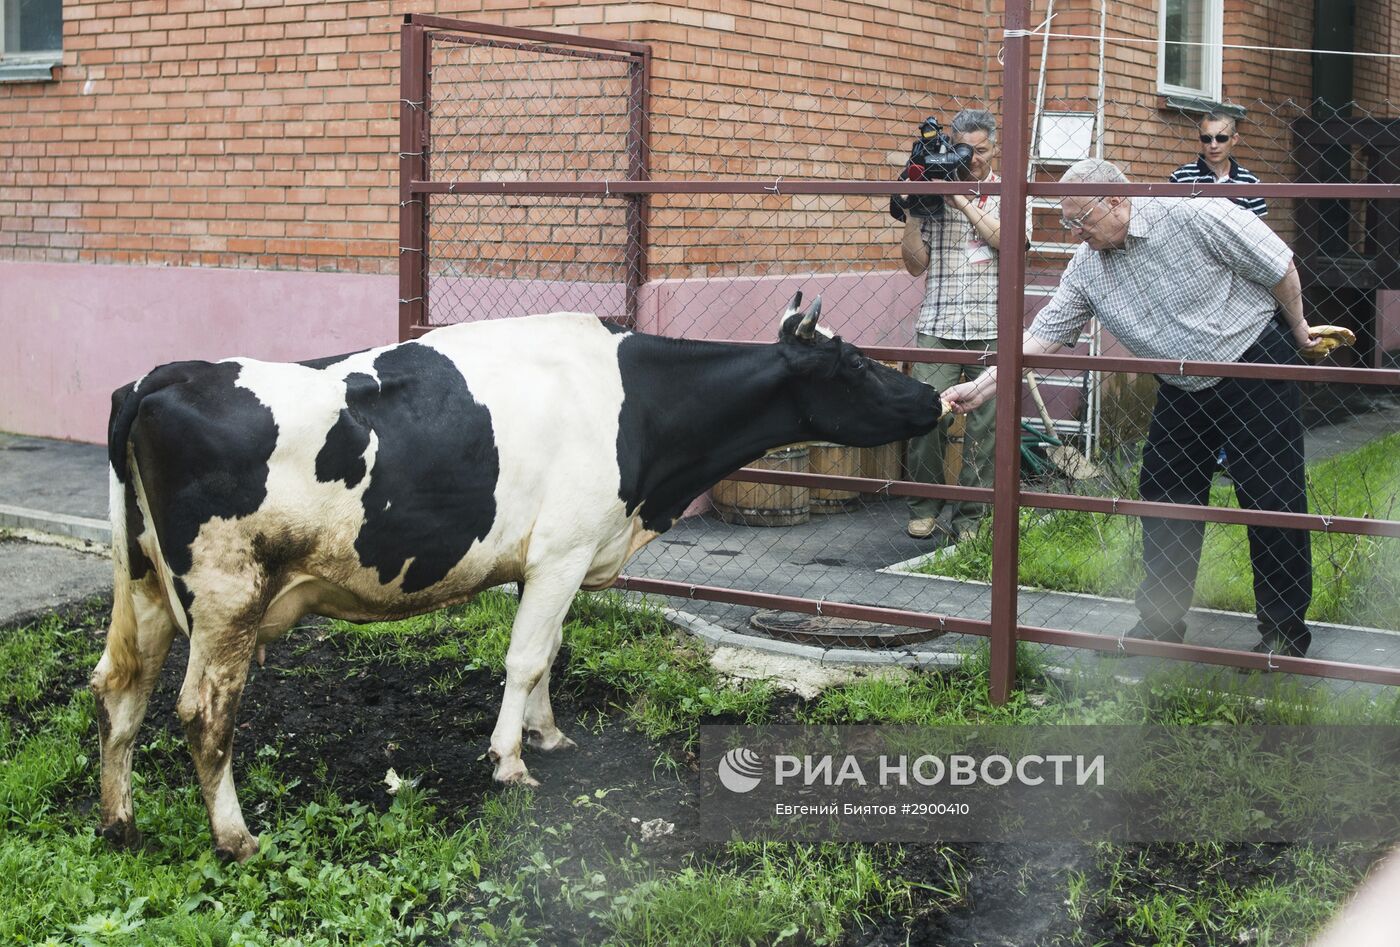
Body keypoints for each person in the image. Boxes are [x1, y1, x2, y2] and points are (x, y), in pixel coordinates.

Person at [942, 158, 1322, 657]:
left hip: (1253, 362)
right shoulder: (1087, 266)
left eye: (1082, 220)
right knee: (1163, 498)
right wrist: (986, 385)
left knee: (1271, 498)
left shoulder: (1192, 214)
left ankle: (1284, 633)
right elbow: (1043, 336)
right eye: (1067, 222)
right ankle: (1161, 626)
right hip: (1181, 382)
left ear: (1118, 200)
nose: (1076, 233)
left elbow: (1279, 264)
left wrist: (1299, 331)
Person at [899, 108, 1005, 546]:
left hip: (990, 325)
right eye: (965, 150)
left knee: (984, 429)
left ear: (994, 148)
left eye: (981, 150)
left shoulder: (1008, 191)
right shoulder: (933, 191)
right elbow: (912, 266)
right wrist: (914, 210)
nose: (973, 158)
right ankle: (924, 507)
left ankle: (971, 517)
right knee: (927, 418)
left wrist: (960, 196)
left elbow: (1009, 242)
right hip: (938, 322)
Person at [1169, 112, 1267, 218]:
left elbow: (1258, 230)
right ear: (1200, 140)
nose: (1213, 145)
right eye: (1207, 139)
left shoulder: (1250, 182)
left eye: (1221, 138)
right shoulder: (1180, 177)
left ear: (1234, 139)